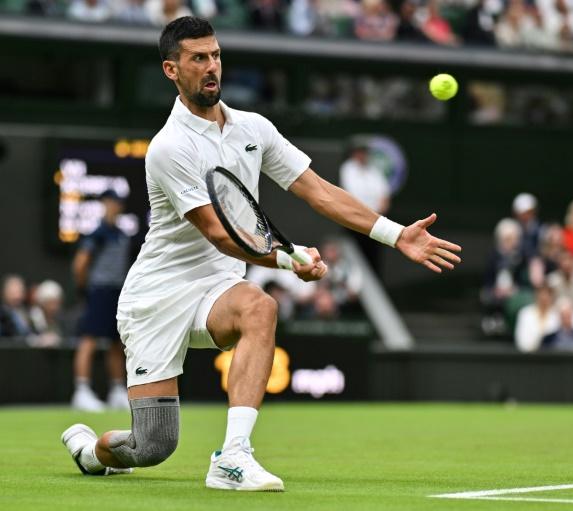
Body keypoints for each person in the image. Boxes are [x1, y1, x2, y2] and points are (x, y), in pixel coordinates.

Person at [61, 17, 461, 490]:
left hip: (217, 291)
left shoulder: (254, 128)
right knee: (153, 446)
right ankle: (91, 451)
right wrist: (290, 260)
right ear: (171, 69)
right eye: (197, 58)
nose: (212, 67)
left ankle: (232, 456)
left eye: (215, 55)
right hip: (156, 298)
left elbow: (320, 192)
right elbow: (220, 233)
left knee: (259, 306)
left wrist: (397, 236)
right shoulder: (168, 147)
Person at [70, 190, 133, 412]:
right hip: (99, 292)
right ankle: (81, 391)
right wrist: (85, 289)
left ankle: (117, 390)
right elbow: (80, 264)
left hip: (118, 293)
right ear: (104, 204)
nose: (114, 206)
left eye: (117, 203)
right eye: (110, 202)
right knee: (89, 339)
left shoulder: (122, 234)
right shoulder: (97, 233)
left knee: (117, 343)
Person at [339, 144, 391, 272]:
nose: (362, 155)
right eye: (360, 152)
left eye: (365, 152)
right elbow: (350, 194)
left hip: (375, 223)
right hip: (355, 222)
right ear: (354, 154)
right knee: (357, 255)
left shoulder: (374, 171)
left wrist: (378, 216)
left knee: (373, 258)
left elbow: (384, 196)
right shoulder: (348, 169)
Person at [515, 285, 559, 353]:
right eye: (541, 296)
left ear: (551, 298)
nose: (544, 299)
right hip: (528, 356)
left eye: (547, 296)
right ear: (536, 296)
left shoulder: (557, 316)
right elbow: (521, 341)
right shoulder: (525, 313)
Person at [0, 274, 33, 339]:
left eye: (19, 291)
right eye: (13, 292)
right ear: (3, 292)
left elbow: (31, 332)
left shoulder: (26, 312)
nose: (17, 296)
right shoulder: (2, 314)